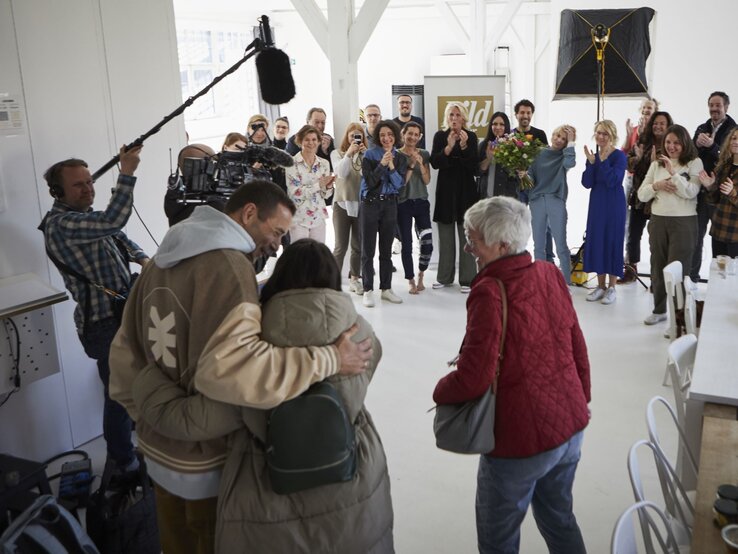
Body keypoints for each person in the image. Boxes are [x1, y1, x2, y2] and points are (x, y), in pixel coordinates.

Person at [109, 181, 373, 554]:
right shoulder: (231, 268)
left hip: (158, 450)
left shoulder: (157, 261)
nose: (279, 243)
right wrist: (331, 358)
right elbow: (236, 370)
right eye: (277, 231)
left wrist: (147, 413)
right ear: (249, 213)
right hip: (206, 463)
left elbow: (124, 349)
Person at [433, 196, 590, 554]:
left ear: (502, 245)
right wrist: (582, 399)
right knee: (559, 518)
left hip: (521, 440)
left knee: (497, 538)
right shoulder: (549, 273)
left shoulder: (489, 291)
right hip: (571, 425)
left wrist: (440, 391)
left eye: (475, 241)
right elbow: (576, 342)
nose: (469, 247)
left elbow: (474, 376)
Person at [39, 145, 148, 476]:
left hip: (122, 313)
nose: (88, 189)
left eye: (89, 182)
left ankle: (127, 446)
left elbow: (118, 234)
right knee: (117, 396)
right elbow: (114, 219)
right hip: (103, 325)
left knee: (132, 388)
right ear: (58, 192)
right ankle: (122, 460)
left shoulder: (85, 218)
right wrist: (127, 172)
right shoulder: (61, 225)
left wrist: (142, 258)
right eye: (78, 185)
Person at [638, 125, 702, 325]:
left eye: (676, 142)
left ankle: (678, 319)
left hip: (684, 223)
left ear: (684, 143)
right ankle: (659, 311)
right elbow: (642, 193)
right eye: (668, 142)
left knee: (678, 271)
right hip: (658, 221)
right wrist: (657, 186)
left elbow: (691, 192)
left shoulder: (694, 163)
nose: (671, 147)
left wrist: (673, 173)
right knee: (657, 267)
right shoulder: (656, 165)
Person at [430, 101, 479, 293]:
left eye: (458, 115)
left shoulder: (472, 136)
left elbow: (474, 167)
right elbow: (435, 162)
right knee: (445, 237)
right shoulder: (440, 136)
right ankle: (444, 277)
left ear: (464, 118)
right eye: (451, 115)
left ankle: (467, 279)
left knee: (467, 237)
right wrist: (449, 148)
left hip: (466, 191)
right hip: (446, 192)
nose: (454, 119)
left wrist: (465, 146)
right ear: (447, 118)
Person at [619, 111, 673, 283]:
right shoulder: (643, 140)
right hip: (640, 197)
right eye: (655, 123)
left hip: (661, 198)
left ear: (668, 125)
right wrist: (639, 158)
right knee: (633, 234)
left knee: (658, 241)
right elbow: (627, 163)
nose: (658, 126)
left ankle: (658, 278)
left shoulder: (672, 144)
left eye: (662, 123)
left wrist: (656, 164)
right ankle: (631, 270)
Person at [360, 119, 407, 307]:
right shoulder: (369, 155)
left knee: (386, 250)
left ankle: (386, 289)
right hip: (370, 204)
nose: (386, 138)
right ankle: (368, 290)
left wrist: (392, 166)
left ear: (395, 136)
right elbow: (370, 182)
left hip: (390, 205)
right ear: (378, 137)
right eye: (382, 135)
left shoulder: (401, 157)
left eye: (389, 135)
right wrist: (381, 164)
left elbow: (399, 185)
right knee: (368, 250)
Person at [691, 91, 737, 281]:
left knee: (729, 258)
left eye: (718, 105)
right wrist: (697, 144)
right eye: (711, 105)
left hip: (730, 215)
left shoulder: (733, 129)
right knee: (698, 239)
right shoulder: (702, 127)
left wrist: (712, 146)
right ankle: (692, 279)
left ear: (726, 107)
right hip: (705, 192)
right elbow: (692, 154)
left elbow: (725, 155)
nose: (714, 109)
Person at [582, 120, 628, 305]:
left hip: (614, 204)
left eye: (605, 134)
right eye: (598, 133)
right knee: (597, 240)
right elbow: (586, 183)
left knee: (612, 240)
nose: (601, 137)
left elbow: (613, 180)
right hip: (597, 203)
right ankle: (600, 286)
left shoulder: (619, 156)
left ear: (612, 136)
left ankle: (612, 287)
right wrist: (592, 164)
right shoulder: (595, 156)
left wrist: (602, 162)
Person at [525, 124, 576, 283]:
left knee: (561, 245)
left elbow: (570, 164)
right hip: (537, 201)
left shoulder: (565, 155)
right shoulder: (537, 153)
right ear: (552, 134)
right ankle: (541, 281)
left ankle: (566, 283)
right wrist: (524, 174)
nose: (558, 140)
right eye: (557, 135)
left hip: (556, 200)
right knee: (538, 245)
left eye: (563, 139)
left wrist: (572, 143)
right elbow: (531, 180)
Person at [331, 123, 368, 295]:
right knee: (340, 246)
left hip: (362, 204)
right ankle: (333, 281)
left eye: (358, 135)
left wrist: (362, 154)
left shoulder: (366, 154)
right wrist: (349, 153)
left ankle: (355, 278)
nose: (355, 139)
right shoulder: (336, 153)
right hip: (342, 204)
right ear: (347, 136)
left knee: (358, 245)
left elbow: (368, 176)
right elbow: (341, 173)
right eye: (352, 135)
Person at [398, 121, 432, 294]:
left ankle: (421, 273)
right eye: (409, 133)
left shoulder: (424, 154)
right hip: (403, 203)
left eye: (416, 134)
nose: (412, 137)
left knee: (427, 242)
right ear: (403, 134)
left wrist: (420, 164)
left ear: (420, 137)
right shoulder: (396, 155)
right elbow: (401, 183)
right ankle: (410, 279)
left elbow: (427, 180)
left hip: (421, 202)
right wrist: (411, 164)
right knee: (407, 244)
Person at [285, 124, 335, 242]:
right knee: (299, 257)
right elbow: (295, 194)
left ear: (319, 142)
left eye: (314, 139)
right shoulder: (291, 163)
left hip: (318, 218)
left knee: (317, 256)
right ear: (300, 141)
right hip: (298, 219)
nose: (311, 143)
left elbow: (325, 195)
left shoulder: (324, 164)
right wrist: (319, 185)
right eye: (306, 139)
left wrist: (328, 187)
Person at [702, 128, 738, 257]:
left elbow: (732, 196)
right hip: (719, 230)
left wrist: (733, 193)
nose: (735, 142)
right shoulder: (724, 166)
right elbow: (714, 199)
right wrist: (710, 187)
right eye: (733, 138)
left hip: (735, 235)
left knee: (733, 275)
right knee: (718, 272)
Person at [478, 112, 518, 199]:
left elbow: (516, 173)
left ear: (506, 126)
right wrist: (489, 158)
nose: (498, 127)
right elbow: (478, 171)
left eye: (502, 124)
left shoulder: (514, 145)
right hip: (487, 196)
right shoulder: (483, 145)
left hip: (508, 197)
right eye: (495, 124)